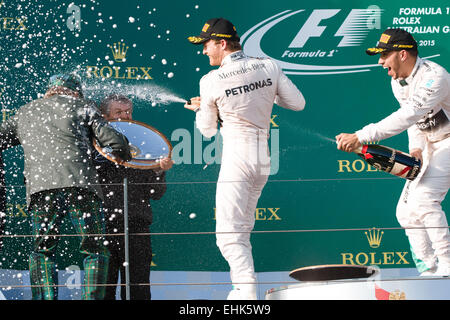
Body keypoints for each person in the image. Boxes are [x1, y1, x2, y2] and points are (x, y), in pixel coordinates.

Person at [185, 18, 306, 299]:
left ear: (222, 43)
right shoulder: (268, 65)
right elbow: (297, 103)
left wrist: (203, 109)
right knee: (241, 230)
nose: (204, 51)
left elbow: (206, 130)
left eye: (206, 44)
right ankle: (246, 290)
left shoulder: (210, 80)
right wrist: (262, 91)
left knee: (229, 234)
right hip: (262, 159)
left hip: (237, 158)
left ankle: (245, 293)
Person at [0, 74, 132, 299]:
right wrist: (125, 154)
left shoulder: (25, 112)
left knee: (42, 251)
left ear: (50, 90)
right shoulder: (84, 107)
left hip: (41, 188)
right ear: (75, 91)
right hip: (81, 185)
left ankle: (44, 298)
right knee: (95, 250)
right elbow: (116, 142)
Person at [336, 28, 450, 276]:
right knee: (406, 212)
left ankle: (448, 265)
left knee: (424, 199)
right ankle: (429, 269)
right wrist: (416, 148)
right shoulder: (397, 82)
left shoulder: (435, 77)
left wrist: (361, 136)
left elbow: (409, 114)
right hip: (431, 144)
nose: (380, 61)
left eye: (384, 55)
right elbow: (415, 122)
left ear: (402, 54)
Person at [93, 94, 173, 300]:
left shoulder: (144, 147)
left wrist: (158, 171)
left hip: (137, 225)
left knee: (138, 286)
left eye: (128, 112)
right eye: (118, 112)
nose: (125, 116)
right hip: (103, 224)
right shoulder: (94, 146)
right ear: (105, 115)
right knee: (104, 288)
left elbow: (156, 194)